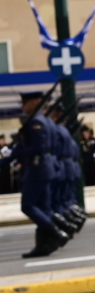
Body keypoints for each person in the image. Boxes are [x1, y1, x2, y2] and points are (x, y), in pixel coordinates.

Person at [0, 92, 70, 257]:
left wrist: (13, 154)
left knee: (28, 206)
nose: (22, 106)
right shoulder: (43, 121)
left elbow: (39, 148)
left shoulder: (36, 121)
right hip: (45, 167)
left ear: (34, 102)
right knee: (44, 208)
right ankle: (44, 245)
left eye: (25, 103)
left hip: (38, 168)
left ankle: (57, 233)